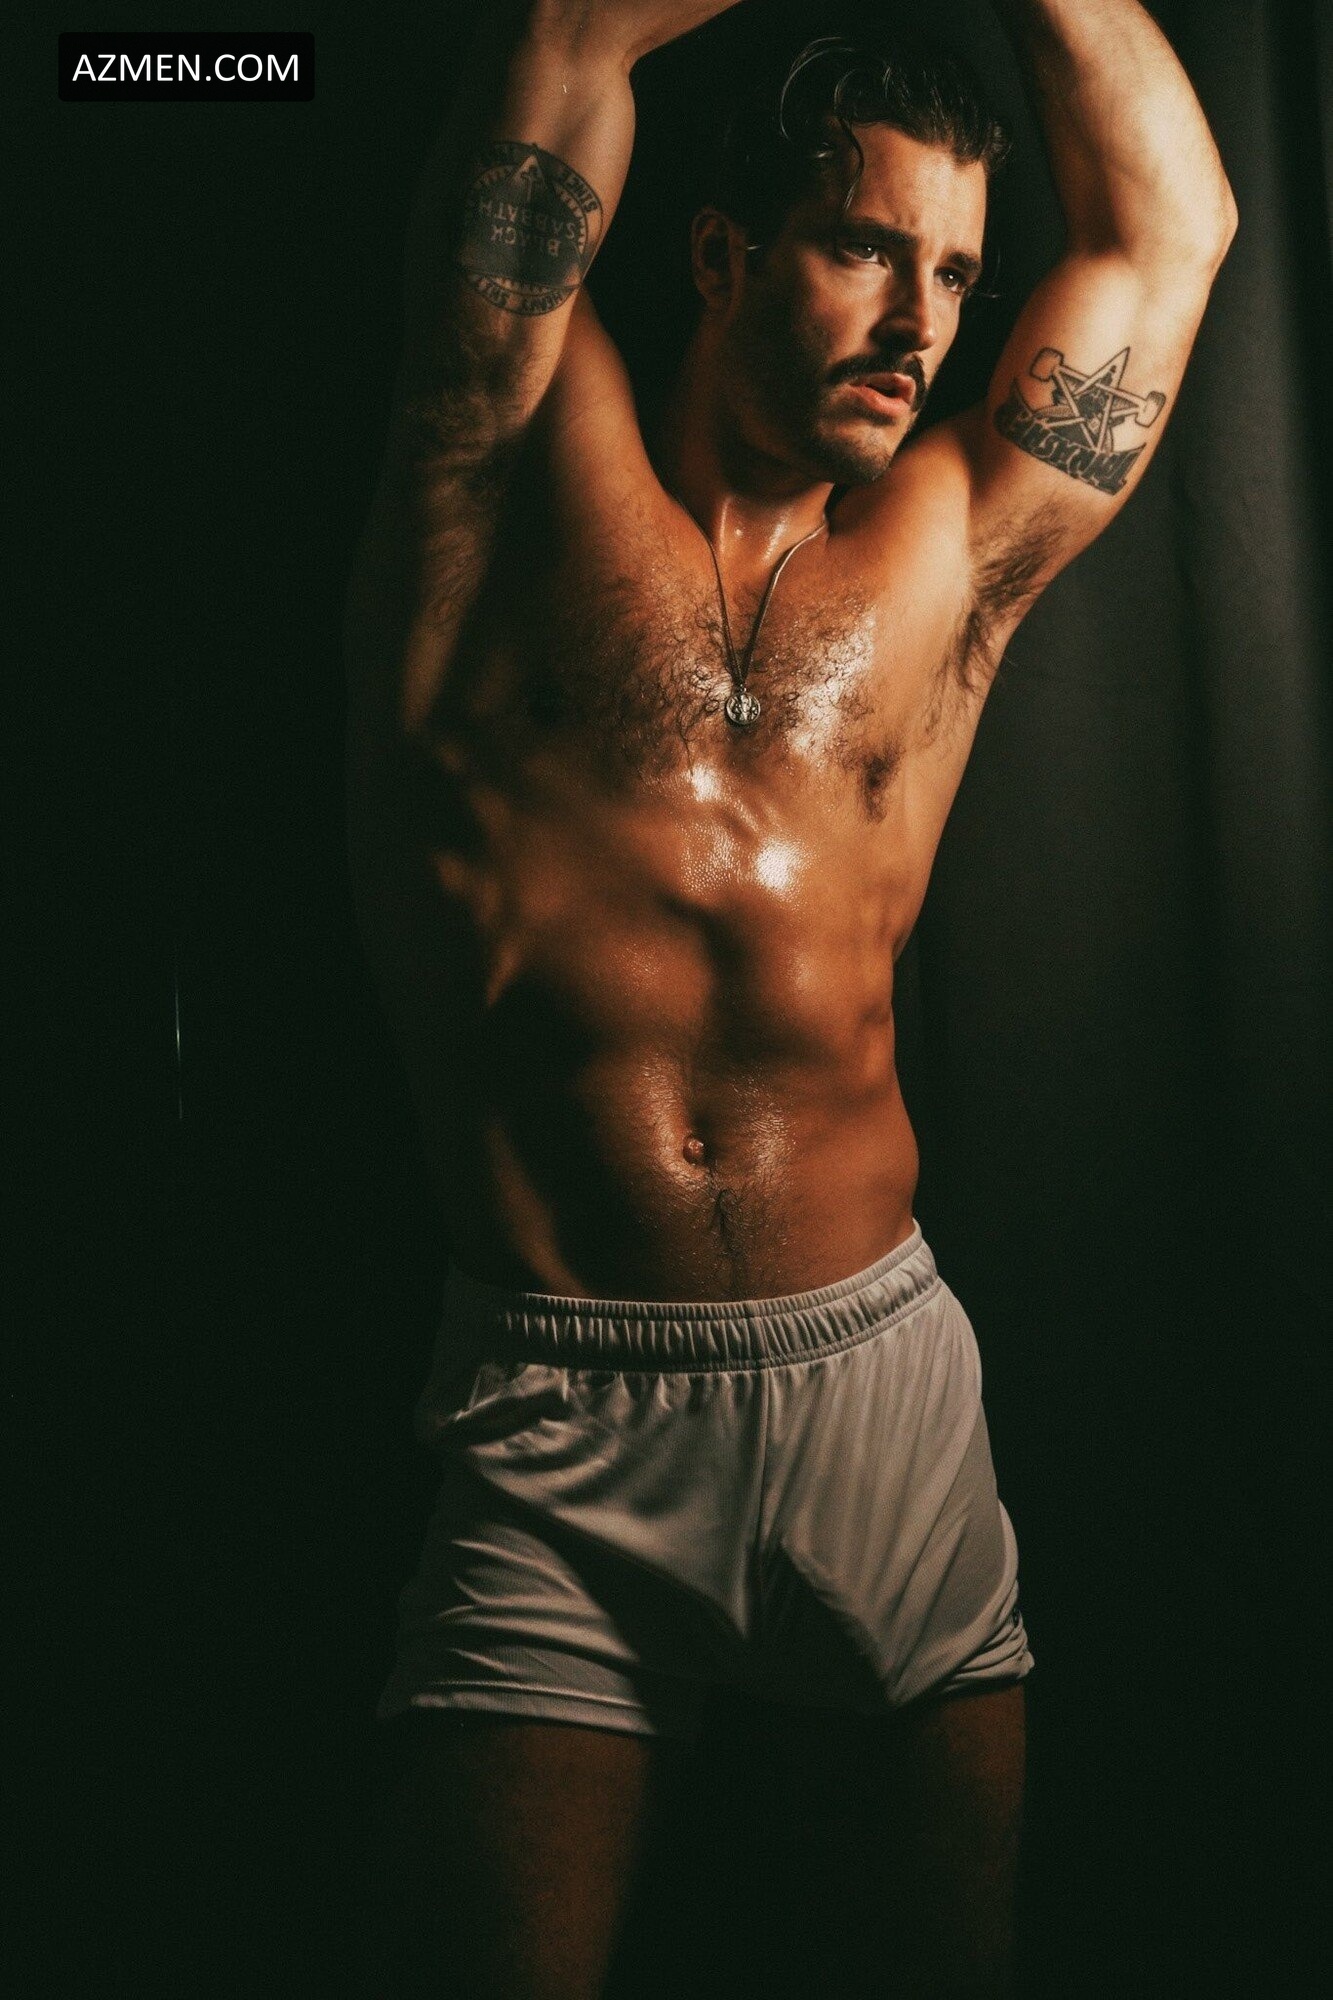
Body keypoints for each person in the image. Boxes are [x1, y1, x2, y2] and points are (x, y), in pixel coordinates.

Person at [346, 2, 1235, 1992]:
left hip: (878, 1398)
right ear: (719, 252)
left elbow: (1169, 227)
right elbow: (564, 38)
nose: (921, 324)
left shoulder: (947, 553)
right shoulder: (506, 454)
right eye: (863, 247)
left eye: (955, 274)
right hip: (561, 1413)